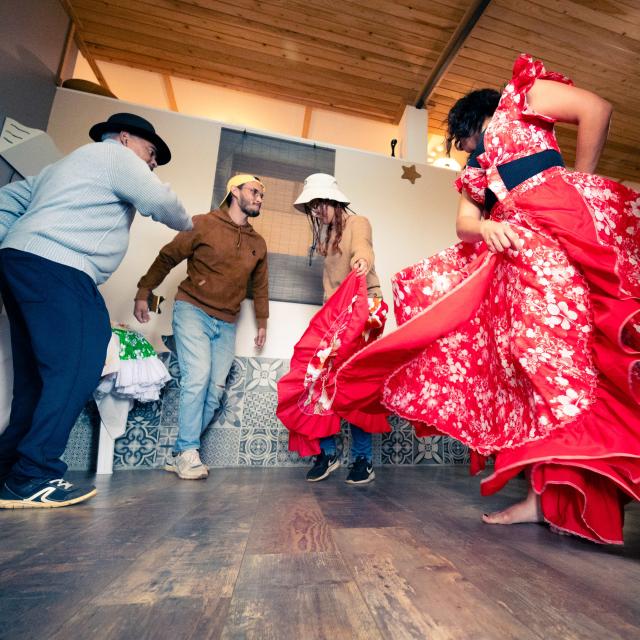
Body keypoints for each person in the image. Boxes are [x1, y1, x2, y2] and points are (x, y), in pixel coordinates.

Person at [332, 54, 639, 543]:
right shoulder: (477, 169)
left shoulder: (524, 98)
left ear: (469, 122)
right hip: (516, 268)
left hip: (559, 249)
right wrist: (488, 226)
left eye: (462, 140)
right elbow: (464, 223)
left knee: (551, 361)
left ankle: (563, 487)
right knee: (527, 369)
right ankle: (540, 499)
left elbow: (597, 109)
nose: (465, 151)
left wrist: (578, 185)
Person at [0, 112, 192, 508]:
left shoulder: (62, 167)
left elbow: (7, 199)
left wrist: (13, 245)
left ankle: (7, 470)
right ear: (123, 138)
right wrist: (190, 221)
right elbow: (164, 205)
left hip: (21, 264)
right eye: (150, 152)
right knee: (78, 368)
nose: (152, 163)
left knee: (36, 379)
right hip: (62, 269)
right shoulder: (115, 157)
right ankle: (33, 474)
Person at [134, 174, 269, 480]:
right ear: (234, 191)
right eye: (254, 192)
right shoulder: (203, 223)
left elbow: (260, 286)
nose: (259, 198)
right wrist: (144, 291)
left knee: (214, 392)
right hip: (192, 310)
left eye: (261, 195)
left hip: (228, 321)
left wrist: (262, 322)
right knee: (197, 378)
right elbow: (168, 256)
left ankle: (182, 453)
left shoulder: (258, 244)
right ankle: (188, 453)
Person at [277, 173, 388, 485]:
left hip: (367, 306)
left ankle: (363, 459)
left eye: (319, 204)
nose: (316, 211)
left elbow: (363, 247)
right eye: (312, 207)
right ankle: (327, 453)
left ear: (334, 201)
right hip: (338, 312)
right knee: (315, 379)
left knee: (356, 383)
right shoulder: (327, 238)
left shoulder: (357, 222)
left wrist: (362, 261)